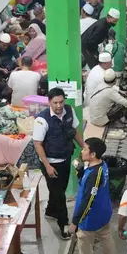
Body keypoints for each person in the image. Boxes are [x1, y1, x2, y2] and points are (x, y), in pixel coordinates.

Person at [33, 88, 85, 239]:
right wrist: (48, 166)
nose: (59, 106)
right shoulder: (41, 120)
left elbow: (74, 131)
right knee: (60, 195)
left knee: (60, 188)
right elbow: (38, 144)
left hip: (65, 157)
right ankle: (64, 226)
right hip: (50, 163)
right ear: (49, 102)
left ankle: (50, 211)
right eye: (55, 102)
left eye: (61, 102)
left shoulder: (69, 111)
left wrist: (85, 147)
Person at [70, 138, 118, 254]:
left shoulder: (93, 175)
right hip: (104, 213)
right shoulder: (101, 165)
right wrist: (80, 171)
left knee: (85, 246)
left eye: (85, 149)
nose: (82, 151)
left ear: (93, 154)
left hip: (91, 218)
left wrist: (75, 222)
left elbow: (87, 201)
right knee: (106, 237)